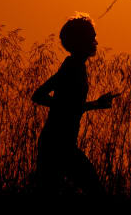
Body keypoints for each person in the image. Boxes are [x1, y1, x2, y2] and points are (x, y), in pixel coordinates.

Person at [32, 13, 119, 195]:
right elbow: (39, 96)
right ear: (81, 40)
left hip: (60, 142)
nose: (95, 41)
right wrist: (74, 106)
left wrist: (95, 104)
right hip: (58, 144)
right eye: (91, 37)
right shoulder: (72, 67)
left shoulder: (74, 65)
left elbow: (67, 105)